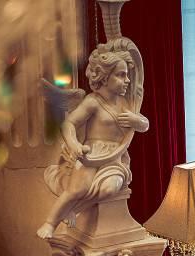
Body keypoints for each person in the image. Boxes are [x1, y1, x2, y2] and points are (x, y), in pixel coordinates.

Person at [39, 44, 149, 239]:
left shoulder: (125, 103)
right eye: (121, 75)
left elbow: (144, 125)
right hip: (91, 153)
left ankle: (75, 209)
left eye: (127, 75)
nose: (127, 80)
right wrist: (74, 145)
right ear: (104, 77)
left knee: (110, 188)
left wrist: (137, 121)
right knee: (77, 189)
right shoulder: (92, 102)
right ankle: (50, 223)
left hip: (115, 158)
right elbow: (69, 124)